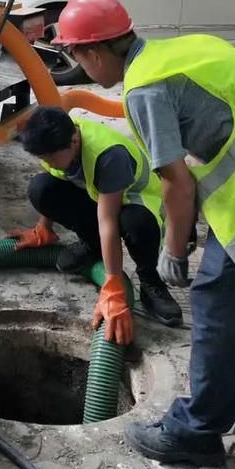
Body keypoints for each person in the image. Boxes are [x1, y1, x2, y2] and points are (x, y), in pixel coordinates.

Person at [53, 0, 235, 466]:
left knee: (218, 298)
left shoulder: (142, 89)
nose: (82, 70)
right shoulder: (180, 48)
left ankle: (194, 434)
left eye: (76, 57)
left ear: (94, 53)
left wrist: (174, 250)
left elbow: (176, 182)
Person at [12, 106, 182, 344]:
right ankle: (91, 245)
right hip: (99, 196)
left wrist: (113, 284)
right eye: (43, 158)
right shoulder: (54, 142)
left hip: (136, 201)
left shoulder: (109, 156)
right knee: (40, 189)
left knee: (136, 224)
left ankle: (150, 280)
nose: (47, 161)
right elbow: (56, 178)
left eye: (50, 157)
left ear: (73, 141)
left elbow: (108, 220)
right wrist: (44, 228)